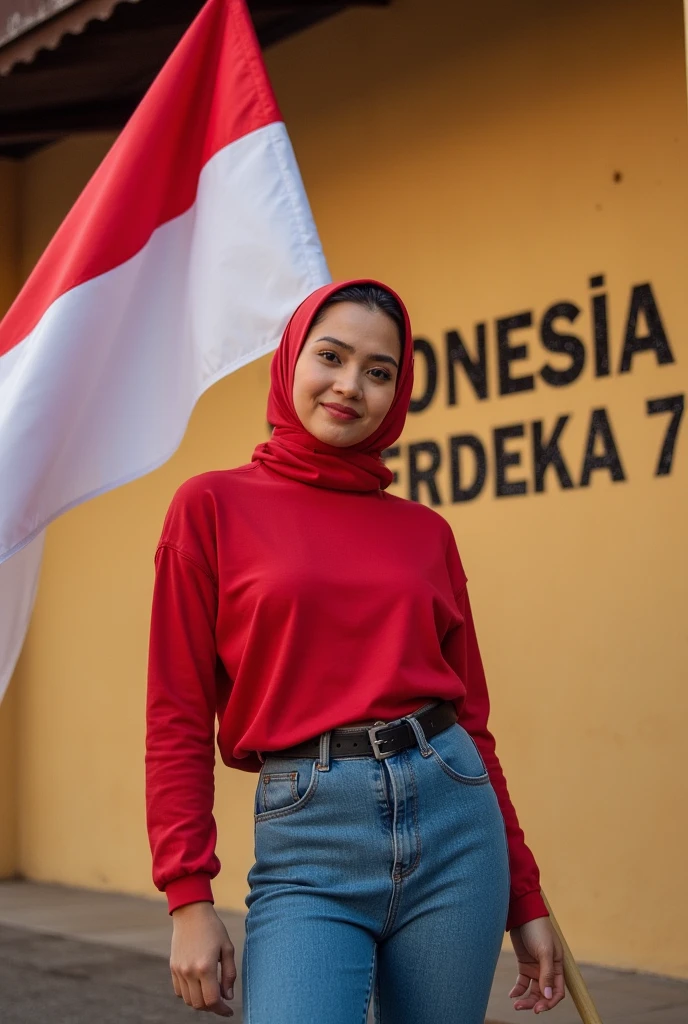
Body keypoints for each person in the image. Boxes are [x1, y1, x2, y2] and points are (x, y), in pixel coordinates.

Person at [145, 278, 565, 1023]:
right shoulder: (209, 507)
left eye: (380, 372)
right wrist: (188, 897)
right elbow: (176, 716)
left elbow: (474, 723)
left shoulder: (427, 533)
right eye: (331, 356)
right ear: (290, 362)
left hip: (454, 823)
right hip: (309, 835)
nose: (350, 386)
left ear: (398, 396)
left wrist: (524, 895)